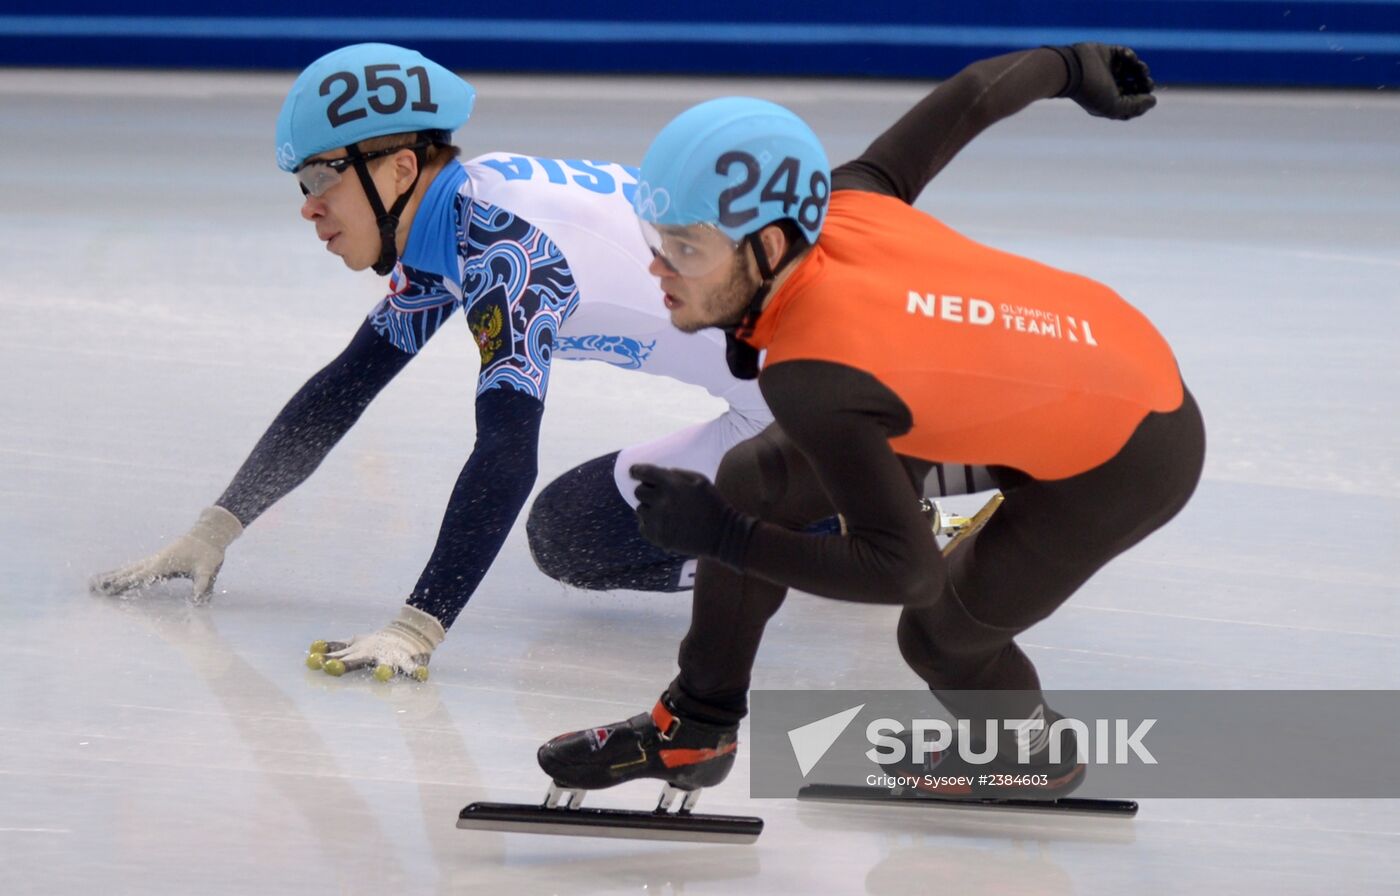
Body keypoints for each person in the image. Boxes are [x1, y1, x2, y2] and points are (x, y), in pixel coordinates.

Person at [90, 42, 1157, 683]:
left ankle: (902, 496)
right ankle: (854, 508)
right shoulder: (451, 224)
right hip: (766, 392)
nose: (308, 208)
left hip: (828, 395)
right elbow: (343, 388)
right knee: (573, 532)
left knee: (608, 515)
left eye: (320, 178)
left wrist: (419, 626)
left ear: (400, 166)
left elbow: (502, 444)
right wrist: (211, 528)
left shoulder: (507, 244)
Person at [538, 45, 1198, 802]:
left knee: (942, 631)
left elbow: (903, 571)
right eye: (657, 242)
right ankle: (696, 726)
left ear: (769, 245)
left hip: (1132, 444)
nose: (658, 269)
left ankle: (1034, 754)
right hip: (1040, 374)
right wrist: (1074, 65)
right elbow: (974, 95)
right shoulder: (848, 197)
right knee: (754, 478)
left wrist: (719, 537)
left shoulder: (815, 374)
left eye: (684, 249)